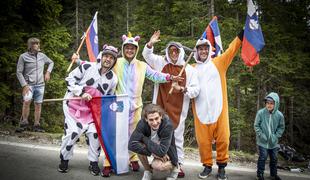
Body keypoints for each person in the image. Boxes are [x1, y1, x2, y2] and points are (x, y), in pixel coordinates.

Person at [101, 32, 183, 177]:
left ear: (136, 50)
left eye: (133, 48)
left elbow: (155, 75)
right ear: (123, 48)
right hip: (118, 107)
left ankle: (133, 159)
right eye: (127, 48)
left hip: (135, 107)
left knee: (134, 136)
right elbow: (101, 63)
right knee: (115, 135)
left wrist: (170, 77)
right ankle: (108, 162)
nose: (130, 50)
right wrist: (79, 63)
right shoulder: (116, 62)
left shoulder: (142, 65)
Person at [142, 30, 200, 178]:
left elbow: (196, 90)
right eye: (171, 51)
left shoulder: (189, 70)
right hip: (160, 109)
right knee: (155, 136)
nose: (173, 53)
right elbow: (146, 55)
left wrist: (183, 89)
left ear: (180, 53)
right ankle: (152, 164)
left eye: (176, 51)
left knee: (177, 138)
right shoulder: (161, 63)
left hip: (178, 111)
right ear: (168, 52)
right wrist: (150, 44)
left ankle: (178, 165)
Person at [57, 45, 119, 176]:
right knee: (72, 132)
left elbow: (108, 98)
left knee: (95, 133)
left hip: (91, 111)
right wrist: (80, 92)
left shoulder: (113, 78)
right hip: (74, 106)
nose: (108, 59)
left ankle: (93, 162)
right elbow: (69, 79)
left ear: (114, 61)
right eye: (106, 56)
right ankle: (64, 158)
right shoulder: (87, 67)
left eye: (112, 58)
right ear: (102, 57)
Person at [191, 30, 244, 180]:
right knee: (202, 142)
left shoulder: (219, 63)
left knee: (224, 138)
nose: (203, 51)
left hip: (219, 110)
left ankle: (221, 167)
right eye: (200, 49)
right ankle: (207, 166)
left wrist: (241, 35)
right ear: (197, 51)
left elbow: (231, 51)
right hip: (200, 111)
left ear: (209, 50)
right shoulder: (192, 68)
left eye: (205, 48)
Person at [128, 104, 179, 180]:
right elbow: (131, 144)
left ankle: (175, 168)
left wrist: (144, 139)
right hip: (153, 149)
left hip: (167, 151)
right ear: (146, 119)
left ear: (161, 116)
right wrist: (152, 153)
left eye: (156, 118)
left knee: (157, 166)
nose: (154, 123)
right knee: (139, 147)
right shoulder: (142, 124)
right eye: (151, 120)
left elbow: (161, 151)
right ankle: (148, 171)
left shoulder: (167, 125)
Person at [16, 37, 54, 132]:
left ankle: (36, 125)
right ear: (31, 46)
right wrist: (24, 85)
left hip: (41, 85)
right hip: (28, 85)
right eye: (36, 44)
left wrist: (48, 72)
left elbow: (51, 62)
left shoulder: (42, 56)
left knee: (38, 104)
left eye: (38, 43)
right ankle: (24, 123)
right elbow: (19, 72)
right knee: (27, 102)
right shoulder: (23, 57)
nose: (38, 45)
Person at [254, 92, 285, 180]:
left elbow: (281, 127)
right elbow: (256, 125)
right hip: (262, 141)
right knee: (263, 157)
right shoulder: (261, 113)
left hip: (273, 142)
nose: (269, 105)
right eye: (267, 103)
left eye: (271, 103)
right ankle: (260, 174)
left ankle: (273, 174)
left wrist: (276, 136)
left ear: (276, 104)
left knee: (274, 159)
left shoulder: (279, 115)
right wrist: (261, 134)